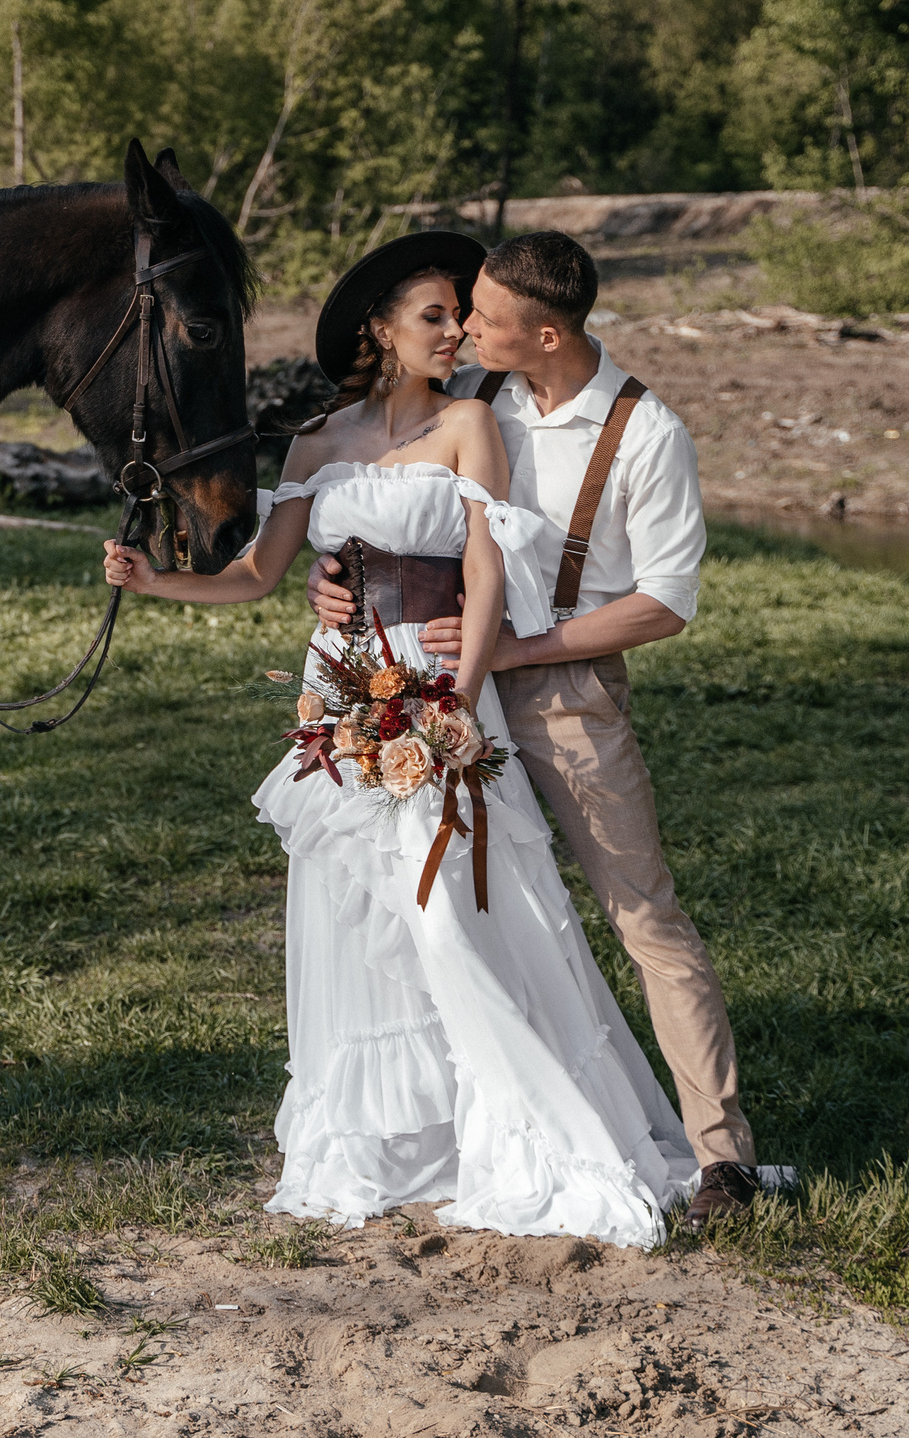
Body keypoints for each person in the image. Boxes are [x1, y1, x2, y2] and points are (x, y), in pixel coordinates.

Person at [103, 231, 697, 1246]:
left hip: (435, 689)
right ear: (376, 329)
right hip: (336, 693)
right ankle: (410, 1139)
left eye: (462, 316)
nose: (457, 331)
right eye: (435, 316)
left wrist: (457, 699)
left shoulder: (472, 422)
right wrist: (153, 579)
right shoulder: (314, 443)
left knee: (448, 916)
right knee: (361, 922)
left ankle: (535, 1131)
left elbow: (484, 576)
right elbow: (257, 573)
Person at [304, 229, 760, 1227]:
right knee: (438, 921)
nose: (464, 327)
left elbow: (665, 603)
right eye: (461, 313)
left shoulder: (647, 434)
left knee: (643, 919)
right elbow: (391, 492)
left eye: (485, 315)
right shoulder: (478, 396)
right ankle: (472, 1126)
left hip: (565, 701)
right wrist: (333, 577)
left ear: (544, 333)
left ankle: (721, 1160)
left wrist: (515, 651)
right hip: (426, 689)